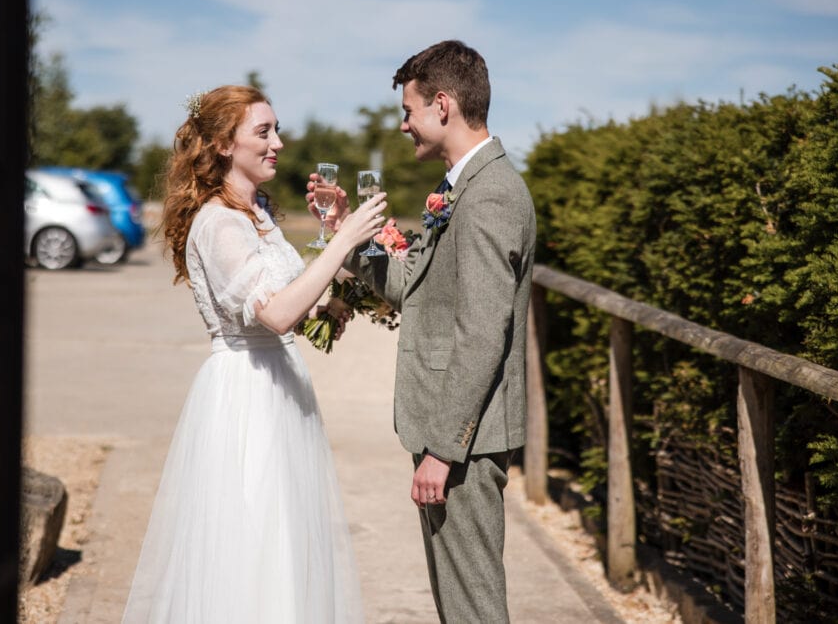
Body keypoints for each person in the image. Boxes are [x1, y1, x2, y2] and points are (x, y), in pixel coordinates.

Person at [122, 85, 386, 623]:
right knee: (250, 542)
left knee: (284, 541)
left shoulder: (258, 213)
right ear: (222, 144)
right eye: (263, 132)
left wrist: (334, 279)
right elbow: (274, 314)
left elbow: (294, 298)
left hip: (280, 386)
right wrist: (342, 241)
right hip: (244, 395)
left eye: (276, 130)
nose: (278, 144)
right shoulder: (217, 223)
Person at [308, 40, 537, 622]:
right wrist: (344, 234)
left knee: (473, 605)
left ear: (442, 105)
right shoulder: (460, 187)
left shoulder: (489, 195)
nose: (403, 125)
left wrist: (442, 449)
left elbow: (484, 332)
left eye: (407, 112)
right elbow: (411, 284)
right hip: (452, 432)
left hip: (463, 438)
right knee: (456, 601)